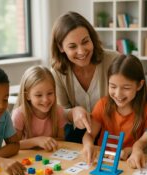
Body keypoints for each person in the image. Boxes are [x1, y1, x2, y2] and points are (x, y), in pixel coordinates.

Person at [51, 11, 119, 143]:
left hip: (113, 131)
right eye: (72, 46)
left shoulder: (114, 60)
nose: (81, 51)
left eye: (85, 42)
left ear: (92, 39)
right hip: (77, 134)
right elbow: (60, 111)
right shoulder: (57, 72)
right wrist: (72, 112)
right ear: (61, 47)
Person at [82, 54, 147, 164]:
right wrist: (88, 145)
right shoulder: (103, 104)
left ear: (139, 85)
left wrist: (130, 151)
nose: (118, 94)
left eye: (126, 88)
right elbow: (89, 134)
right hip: (104, 160)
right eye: (112, 86)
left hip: (129, 163)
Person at [11, 65, 67, 151]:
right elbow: (13, 145)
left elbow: (62, 140)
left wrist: (46, 142)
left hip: (50, 156)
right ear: (27, 96)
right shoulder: (19, 115)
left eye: (50, 93)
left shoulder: (59, 111)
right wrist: (36, 141)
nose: (45, 100)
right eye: (38, 95)